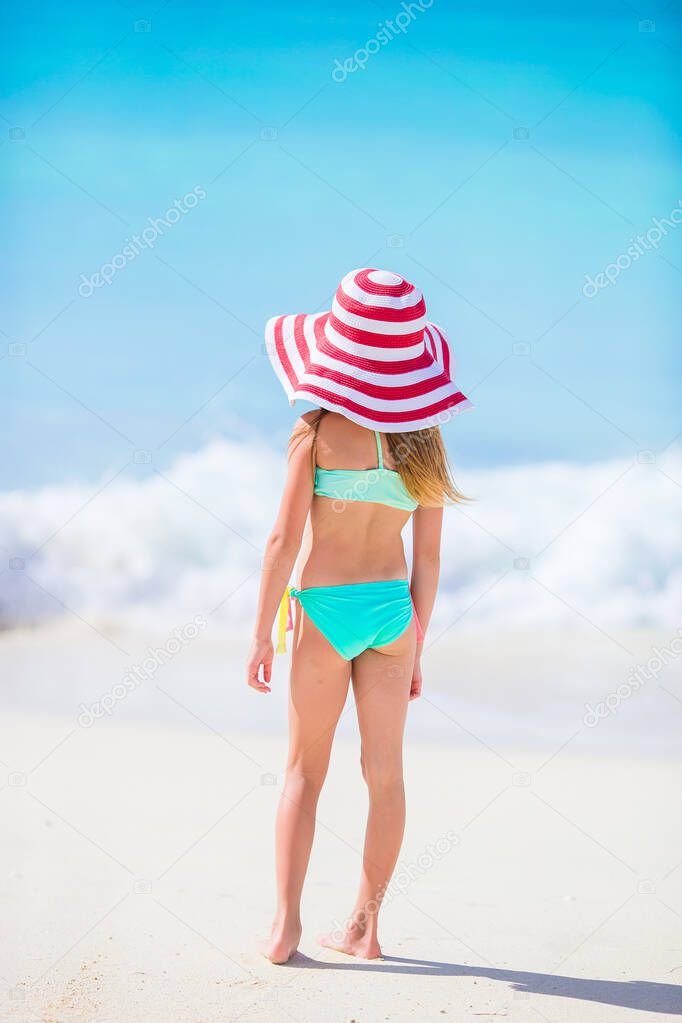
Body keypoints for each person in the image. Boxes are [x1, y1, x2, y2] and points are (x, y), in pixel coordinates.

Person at [246, 268, 472, 963]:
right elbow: (428, 560)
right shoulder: (424, 441)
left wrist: (261, 630)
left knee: (301, 774)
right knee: (385, 775)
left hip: (323, 612)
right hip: (391, 615)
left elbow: (284, 539)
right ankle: (366, 928)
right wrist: (418, 642)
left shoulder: (315, 429)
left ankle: (285, 928)